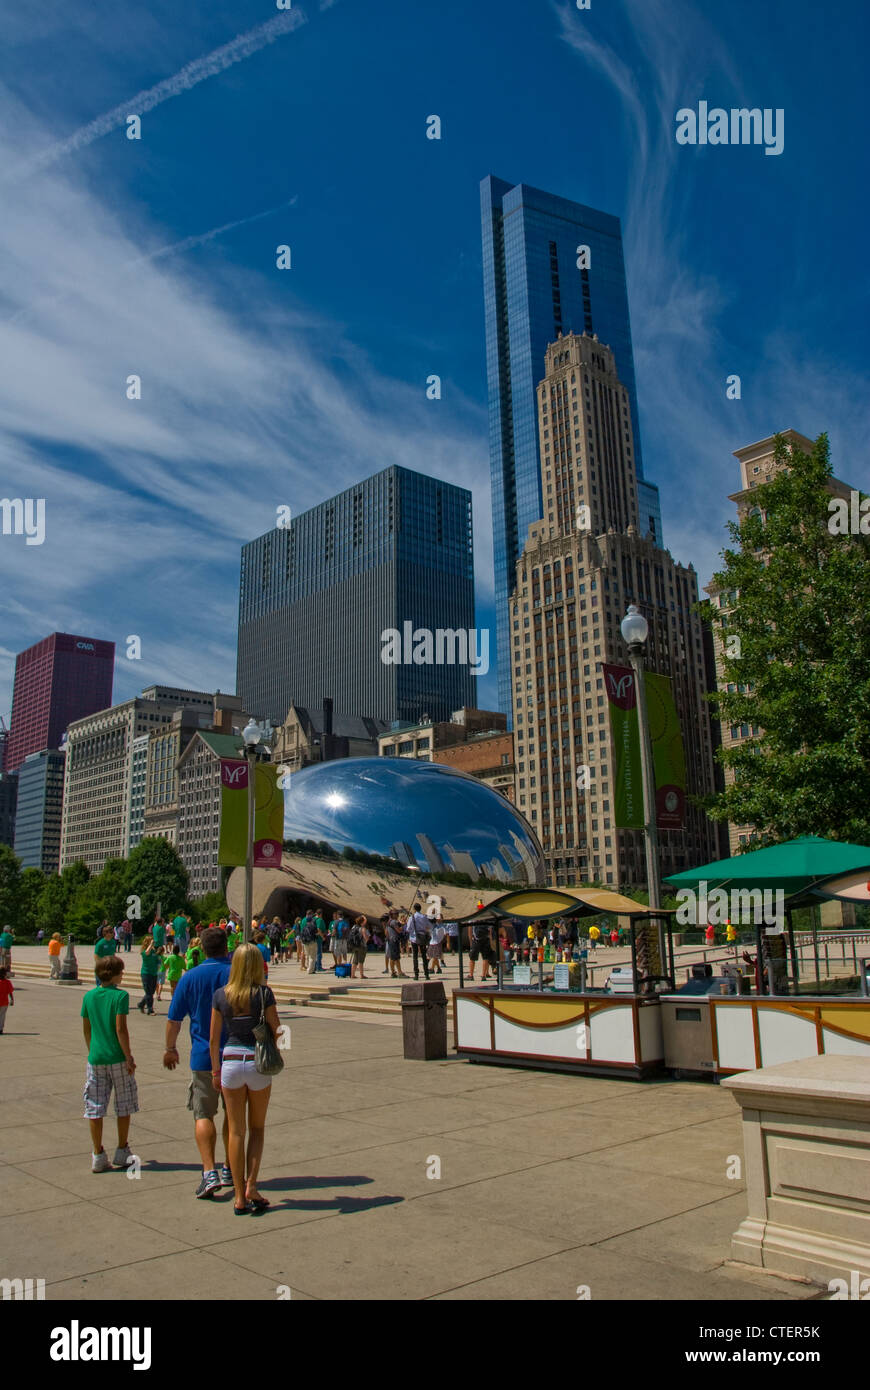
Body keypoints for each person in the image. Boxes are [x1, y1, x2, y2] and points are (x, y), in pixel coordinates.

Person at [210, 943, 279, 1215]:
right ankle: (251, 1185)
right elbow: (277, 1029)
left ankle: (238, 1196)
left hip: (230, 1062)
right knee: (257, 1128)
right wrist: (280, 1042)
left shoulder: (221, 995)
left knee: (235, 1130)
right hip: (257, 1062)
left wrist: (215, 1071)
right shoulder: (263, 994)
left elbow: (214, 1039)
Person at [165, 925, 234, 1198]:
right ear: (226, 947)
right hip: (236, 1054)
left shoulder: (189, 978)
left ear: (201, 949)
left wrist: (170, 1048)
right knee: (233, 1114)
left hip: (203, 1057)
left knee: (203, 1114)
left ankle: (209, 1172)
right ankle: (230, 1166)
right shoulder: (235, 974)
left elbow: (174, 1020)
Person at [80, 955, 137, 1172]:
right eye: (120, 972)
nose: (122, 975)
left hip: (96, 1057)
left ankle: (97, 1153)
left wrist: (91, 1049)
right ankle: (122, 1149)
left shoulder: (89, 996)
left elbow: (87, 1028)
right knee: (123, 1103)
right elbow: (120, 1029)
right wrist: (128, 1056)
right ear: (112, 974)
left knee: (94, 1105)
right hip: (117, 1057)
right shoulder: (120, 996)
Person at [137, 932, 160, 1015]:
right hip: (146, 973)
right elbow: (147, 952)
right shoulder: (144, 951)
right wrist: (150, 944)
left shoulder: (154, 951)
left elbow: (157, 960)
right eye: (151, 941)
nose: (153, 943)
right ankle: (150, 1010)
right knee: (149, 992)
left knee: (151, 992)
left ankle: (141, 1004)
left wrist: (159, 965)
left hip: (154, 973)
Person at [408, 903, 431, 981]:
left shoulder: (412, 917)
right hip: (422, 937)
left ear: (414, 909)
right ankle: (426, 974)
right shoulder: (424, 917)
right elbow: (429, 926)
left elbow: (408, 928)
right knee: (424, 956)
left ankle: (416, 974)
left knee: (415, 956)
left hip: (414, 937)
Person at [348, 915, 369, 980]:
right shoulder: (362, 928)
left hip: (354, 946)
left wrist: (363, 916)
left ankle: (352, 975)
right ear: (362, 922)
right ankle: (362, 975)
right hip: (361, 946)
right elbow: (366, 938)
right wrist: (366, 940)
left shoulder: (354, 927)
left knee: (355, 961)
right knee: (361, 961)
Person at [0, 966, 14, 1033]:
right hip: (4, 1002)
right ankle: (0, 1028)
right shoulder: (8, 982)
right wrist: (12, 1000)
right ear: (5, 974)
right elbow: (10, 992)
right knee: (2, 1015)